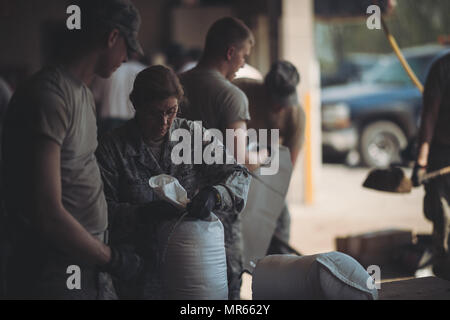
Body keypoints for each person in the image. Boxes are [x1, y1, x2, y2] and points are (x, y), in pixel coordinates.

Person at [2, 0, 144, 299]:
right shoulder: (50, 96)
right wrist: (112, 259)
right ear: (112, 37)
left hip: (82, 263)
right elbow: (46, 212)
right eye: (128, 47)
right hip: (52, 270)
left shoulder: (81, 92)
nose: (128, 57)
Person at [95, 65, 251, 299]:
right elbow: (99, 213)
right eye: (154, 113)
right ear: (136, 105)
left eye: (171, 111)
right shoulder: (113, 148)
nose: (164, 122)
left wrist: (215, 194)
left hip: (189, 266)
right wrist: (143, 214)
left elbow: (239, 174)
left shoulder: (190, 136)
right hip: (137, 274)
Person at [179, 17, 266, 299]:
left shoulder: (175, 85)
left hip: (175, 206)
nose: (242, 63)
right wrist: (264, 155)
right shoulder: (231, 96)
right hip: (219, 211)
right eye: (243, 55)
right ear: (230, 52)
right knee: (226, 284)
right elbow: (239, 161)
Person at [235, 61, 306, 255]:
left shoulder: (296, 114)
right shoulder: (242, 90)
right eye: (276, 101)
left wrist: (271, 198)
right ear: (265, 89)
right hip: (236, 170)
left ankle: (278, 268)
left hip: (269, 173)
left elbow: (289, 164)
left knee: (281, 221)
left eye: (285, 102)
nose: (280, 108)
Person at [412, 52, 450, 280]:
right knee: (443, 217)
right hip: (442, 156)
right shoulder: (442, 69)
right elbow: (429, 116)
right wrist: (422, 162)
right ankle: (444, 272)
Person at [91, 52, 147, 137]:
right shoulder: (144, 71)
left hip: (108, 121)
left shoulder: (107, 70)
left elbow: (95, 99)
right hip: (134, 122)